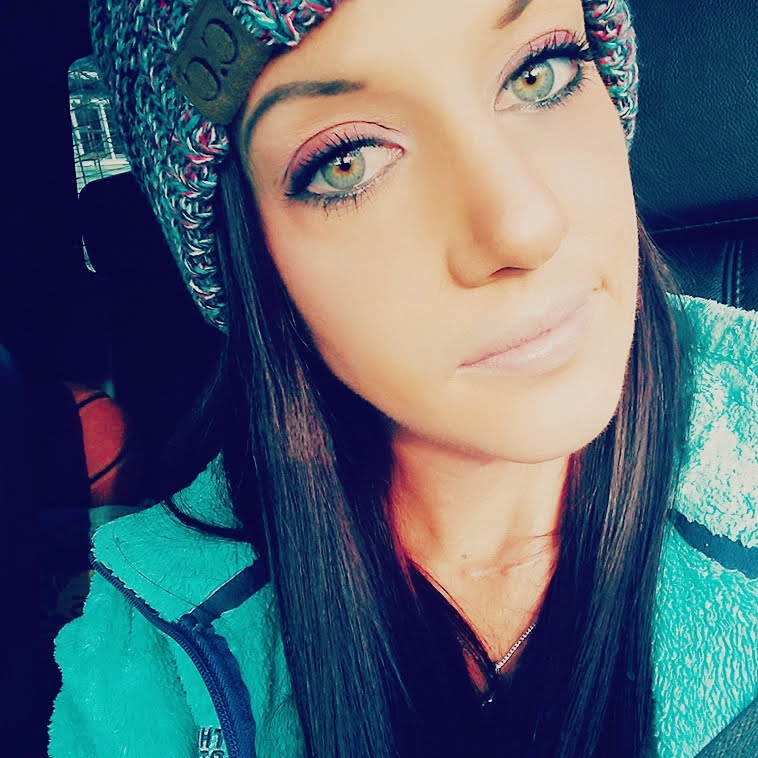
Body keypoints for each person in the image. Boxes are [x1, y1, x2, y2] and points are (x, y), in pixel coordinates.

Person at [49, 0, 757, 756]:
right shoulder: (146, 665)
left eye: (538, 72)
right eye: (347, 161)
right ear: (250, 257)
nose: (523, 226)